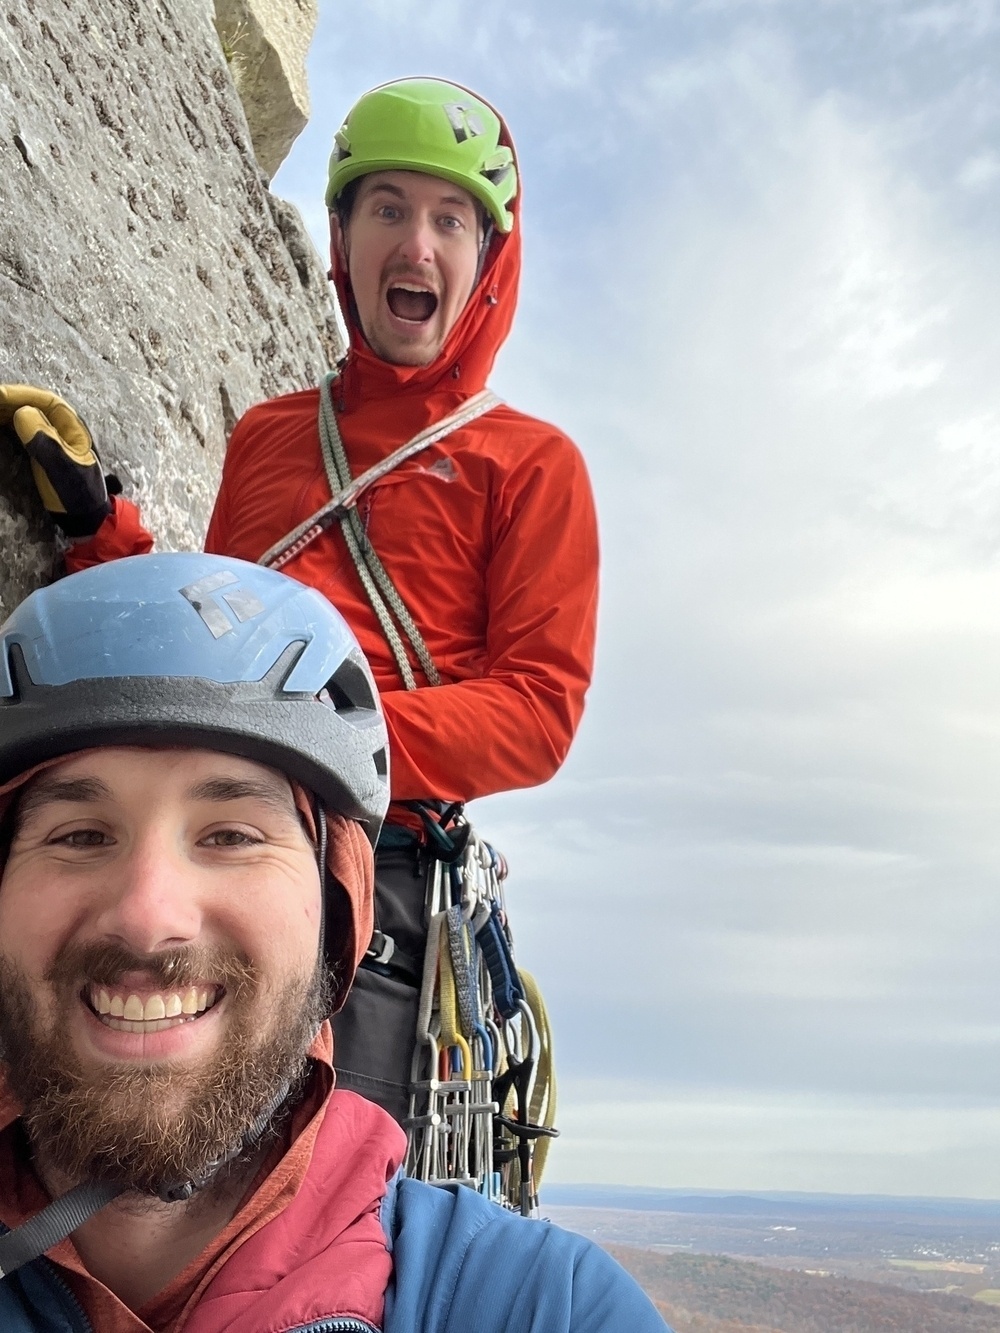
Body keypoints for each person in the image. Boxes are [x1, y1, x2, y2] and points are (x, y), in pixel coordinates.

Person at [0, 77, 599, 1121]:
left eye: (449, 219)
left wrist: (314, 735)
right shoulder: (268, 436)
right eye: (387, 209)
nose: (416, 244)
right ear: (343, 236)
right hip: (222, 815)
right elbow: (222, 627)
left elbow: (537, 712)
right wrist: (108, 544)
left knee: (321, 1182)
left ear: (488, 259)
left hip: (381, 859)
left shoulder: (531, 463)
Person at [0, 551, 664, 1332]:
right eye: (80, 834)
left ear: (336, 913)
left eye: (232, 835)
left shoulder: (544, 1307)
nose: (149, 917)